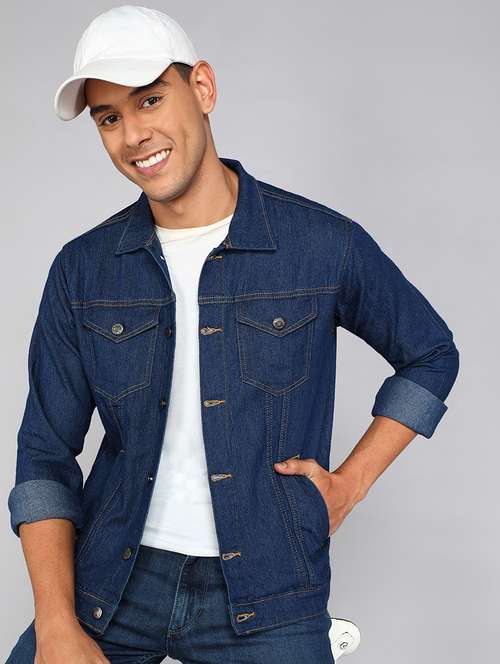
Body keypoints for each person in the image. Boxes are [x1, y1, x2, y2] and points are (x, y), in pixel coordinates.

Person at [6, 5, 459, 663]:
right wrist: (54, 622)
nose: (134, 135)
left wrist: (350, 484)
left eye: (150, 99)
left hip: (271, 589)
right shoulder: (84, 269)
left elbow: (430, 353)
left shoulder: (320, 244)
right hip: (112, 584)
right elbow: (45, 454)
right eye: (108, 118)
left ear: (203, 88)